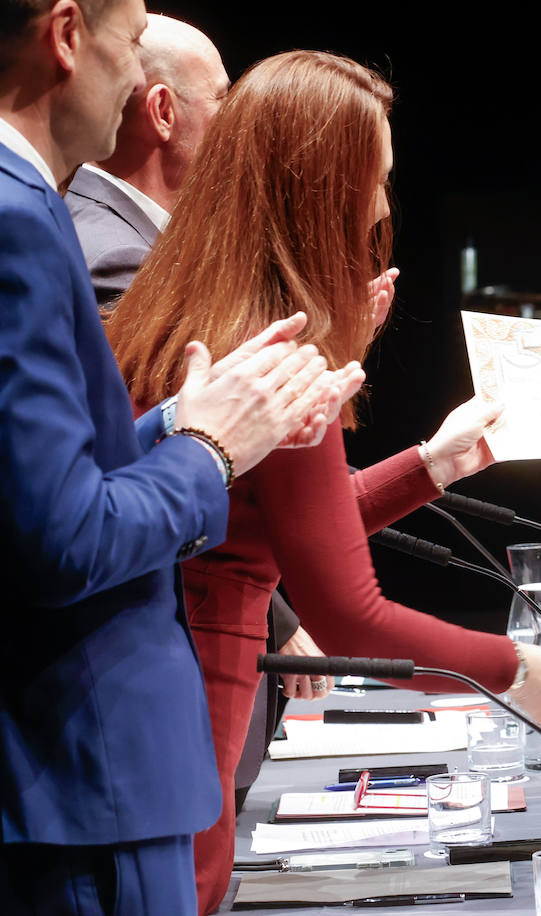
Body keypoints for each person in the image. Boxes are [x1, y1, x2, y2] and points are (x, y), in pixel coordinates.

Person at [103, 49, 541, 914]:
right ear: (319, 187)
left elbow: (266, 528)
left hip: (144, 706)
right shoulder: (273, 342)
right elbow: (347, 613)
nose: (378, 207)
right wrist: (517, 670)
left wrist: (428, 467)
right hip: (190, 722)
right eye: (373, 180)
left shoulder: (185, 302)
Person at [0, 1, 350, 911]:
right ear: (68, 37)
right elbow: (61, 540)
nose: (128, 83)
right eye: (125, 44)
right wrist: (207, 448)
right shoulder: (18, 216)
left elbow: (51, 481)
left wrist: (190, 425)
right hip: (84, 779)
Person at [60, 12, 333, 808]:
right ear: (164, 111)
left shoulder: (151, 247)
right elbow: (133, 466)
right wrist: (277, 612)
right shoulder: (109, 251)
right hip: (160, 658)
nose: (243, 128)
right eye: (226, 101)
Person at [64, 12, 226, 310]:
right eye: (220, 97)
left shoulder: (88, 215)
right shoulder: (121, 260)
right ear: (163, 112)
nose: (234, 116)